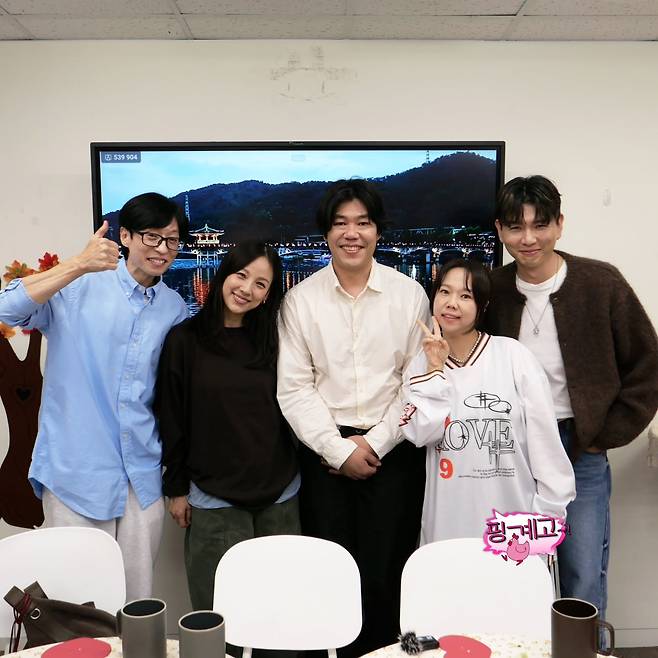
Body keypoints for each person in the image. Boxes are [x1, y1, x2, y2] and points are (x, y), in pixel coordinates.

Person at [0, 192, 189, 600]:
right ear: (125, 236)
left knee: (137, 604)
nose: (162, 249)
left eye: (172, 240)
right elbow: (6, 309)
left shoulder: (174, 308)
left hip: (141, 478)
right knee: (79, 606)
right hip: (76, 473)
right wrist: (78, 264)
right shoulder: (77, 286)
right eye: (152, 236)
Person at [486, 175, 658, 621]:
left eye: (540, 225)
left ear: (560, 224)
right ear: (500, 230)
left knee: (582, 574)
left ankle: (584, 649)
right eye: (516, 227)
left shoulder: (600, 283)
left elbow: (648, 365)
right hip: (512, 451)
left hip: (580, 448)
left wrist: (603, 434)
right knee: (516, 567)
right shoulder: (492, 290)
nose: (528, 239)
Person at [277, 179, 429, 657]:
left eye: (363, 223)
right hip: (325, 458)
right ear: (326, 233)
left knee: (390, 571)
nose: (352, 233)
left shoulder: (409, 295)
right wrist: (338, 449)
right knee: (330, 573)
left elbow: (416, 384)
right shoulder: (300, 300)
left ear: (378, 231)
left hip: (395, 454)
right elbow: (295, 388)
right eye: (340, 223)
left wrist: (375, 443)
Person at [156, 241, 300, 611]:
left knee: (282, 608)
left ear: (269, 295)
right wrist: (176, 489)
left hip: (279, 494)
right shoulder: (184, 340)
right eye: (241, 275)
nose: (246, 289)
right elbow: (171, 417)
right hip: (213, 494)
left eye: (260, 284)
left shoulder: (277, 340)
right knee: (219, 609)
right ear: (224, 274)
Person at [400, 258, 575, 545]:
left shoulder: (513, 356)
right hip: (447, 525)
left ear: (483, 305)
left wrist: (542, 527)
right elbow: (421, 433)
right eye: (444, 292)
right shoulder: (420, 365)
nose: (451, 303)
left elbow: (548, 453)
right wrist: (435, 370)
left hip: (514, 525)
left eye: (465, 296)